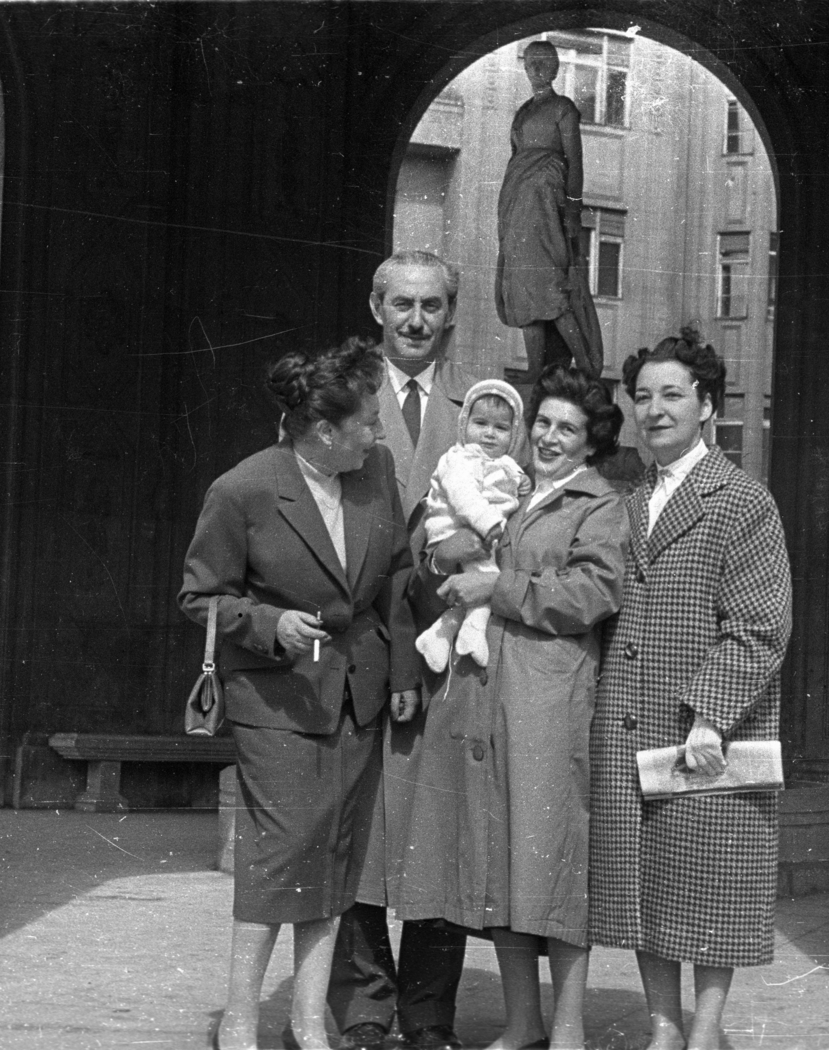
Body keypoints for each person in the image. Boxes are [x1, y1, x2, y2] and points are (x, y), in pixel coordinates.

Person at [178, 338, 420, 1050]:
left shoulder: (374, 470)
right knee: (279, 857)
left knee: (337, 859)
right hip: (278, 703)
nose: (379, 435)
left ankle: (310, 1021)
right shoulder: (244, 489)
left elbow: (398, 579)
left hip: (358, 697)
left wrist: (402, 671)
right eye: (368, 424)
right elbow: (201, 597)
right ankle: (241, 1020)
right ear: (323, 433)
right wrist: (268, 623)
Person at [392, 365, 627, 1050]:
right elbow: (446, 554)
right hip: (484, 690)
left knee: (552, 858)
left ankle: (570, 1029)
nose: (550, 437)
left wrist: (499, 586)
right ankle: (524, 1021)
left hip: (550, 696)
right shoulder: (514, 487)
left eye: (568, 429)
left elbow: (591, 593)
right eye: (544, 423)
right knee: (499, 857)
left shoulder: (597, 504)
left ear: (591, 442)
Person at [588, 329, 794, 1050]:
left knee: (711, 879)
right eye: (642, 397)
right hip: (629, 719)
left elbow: (761, 624)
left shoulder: (741, 499)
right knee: (646, 881)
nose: (654, 410)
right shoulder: (630, 498)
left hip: (706, 727)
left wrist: (711, 715)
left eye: (672, 394)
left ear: (708, 405)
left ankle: (704, 1032)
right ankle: (663, 1027)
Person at [330, 250, 478, 1050]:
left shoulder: (480, 410)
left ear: (449, 314)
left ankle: (427, 1014)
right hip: (358, 651)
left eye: (431, 306)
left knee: (436, 835)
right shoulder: (341, 404)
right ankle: (362, 1008)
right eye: (402, 306)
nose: (416, 321)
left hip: (443, 657)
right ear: (376, 309)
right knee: (357, 835)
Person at [496, 39, 604, 381]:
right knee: (522, 284)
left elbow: (576, 162)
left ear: (555, 68)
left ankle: (585, 364)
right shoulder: (523, 110)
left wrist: (573, 212)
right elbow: (516, 158)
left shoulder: (564, 108)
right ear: (525, 68)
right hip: (517, 207)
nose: (537, 70)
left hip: (546, 208)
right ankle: (534, 368)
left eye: (544, 63)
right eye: (531, 64)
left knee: (552, 286)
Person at [414, 379, 531, 671]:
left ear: (513, 435)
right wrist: (488, 522)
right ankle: (473, 633)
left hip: (481, 536)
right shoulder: (459, 459)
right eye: (480, 423)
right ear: (464, 423)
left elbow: (514, 487)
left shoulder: (505, 464)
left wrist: (523, 484)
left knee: (471, 591)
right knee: (489, 585)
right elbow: (463, 495)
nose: (489, 434)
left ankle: (438, 637)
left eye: (501, 428)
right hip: (454, 530)